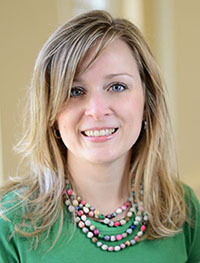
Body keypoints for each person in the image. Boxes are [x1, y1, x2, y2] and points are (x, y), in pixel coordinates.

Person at [0, 10, 199, 263]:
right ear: (50, 112)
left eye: (117, 87)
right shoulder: (10, 223)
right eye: (75, 90)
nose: (97, 110)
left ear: (147, 103)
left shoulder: (183, 209)